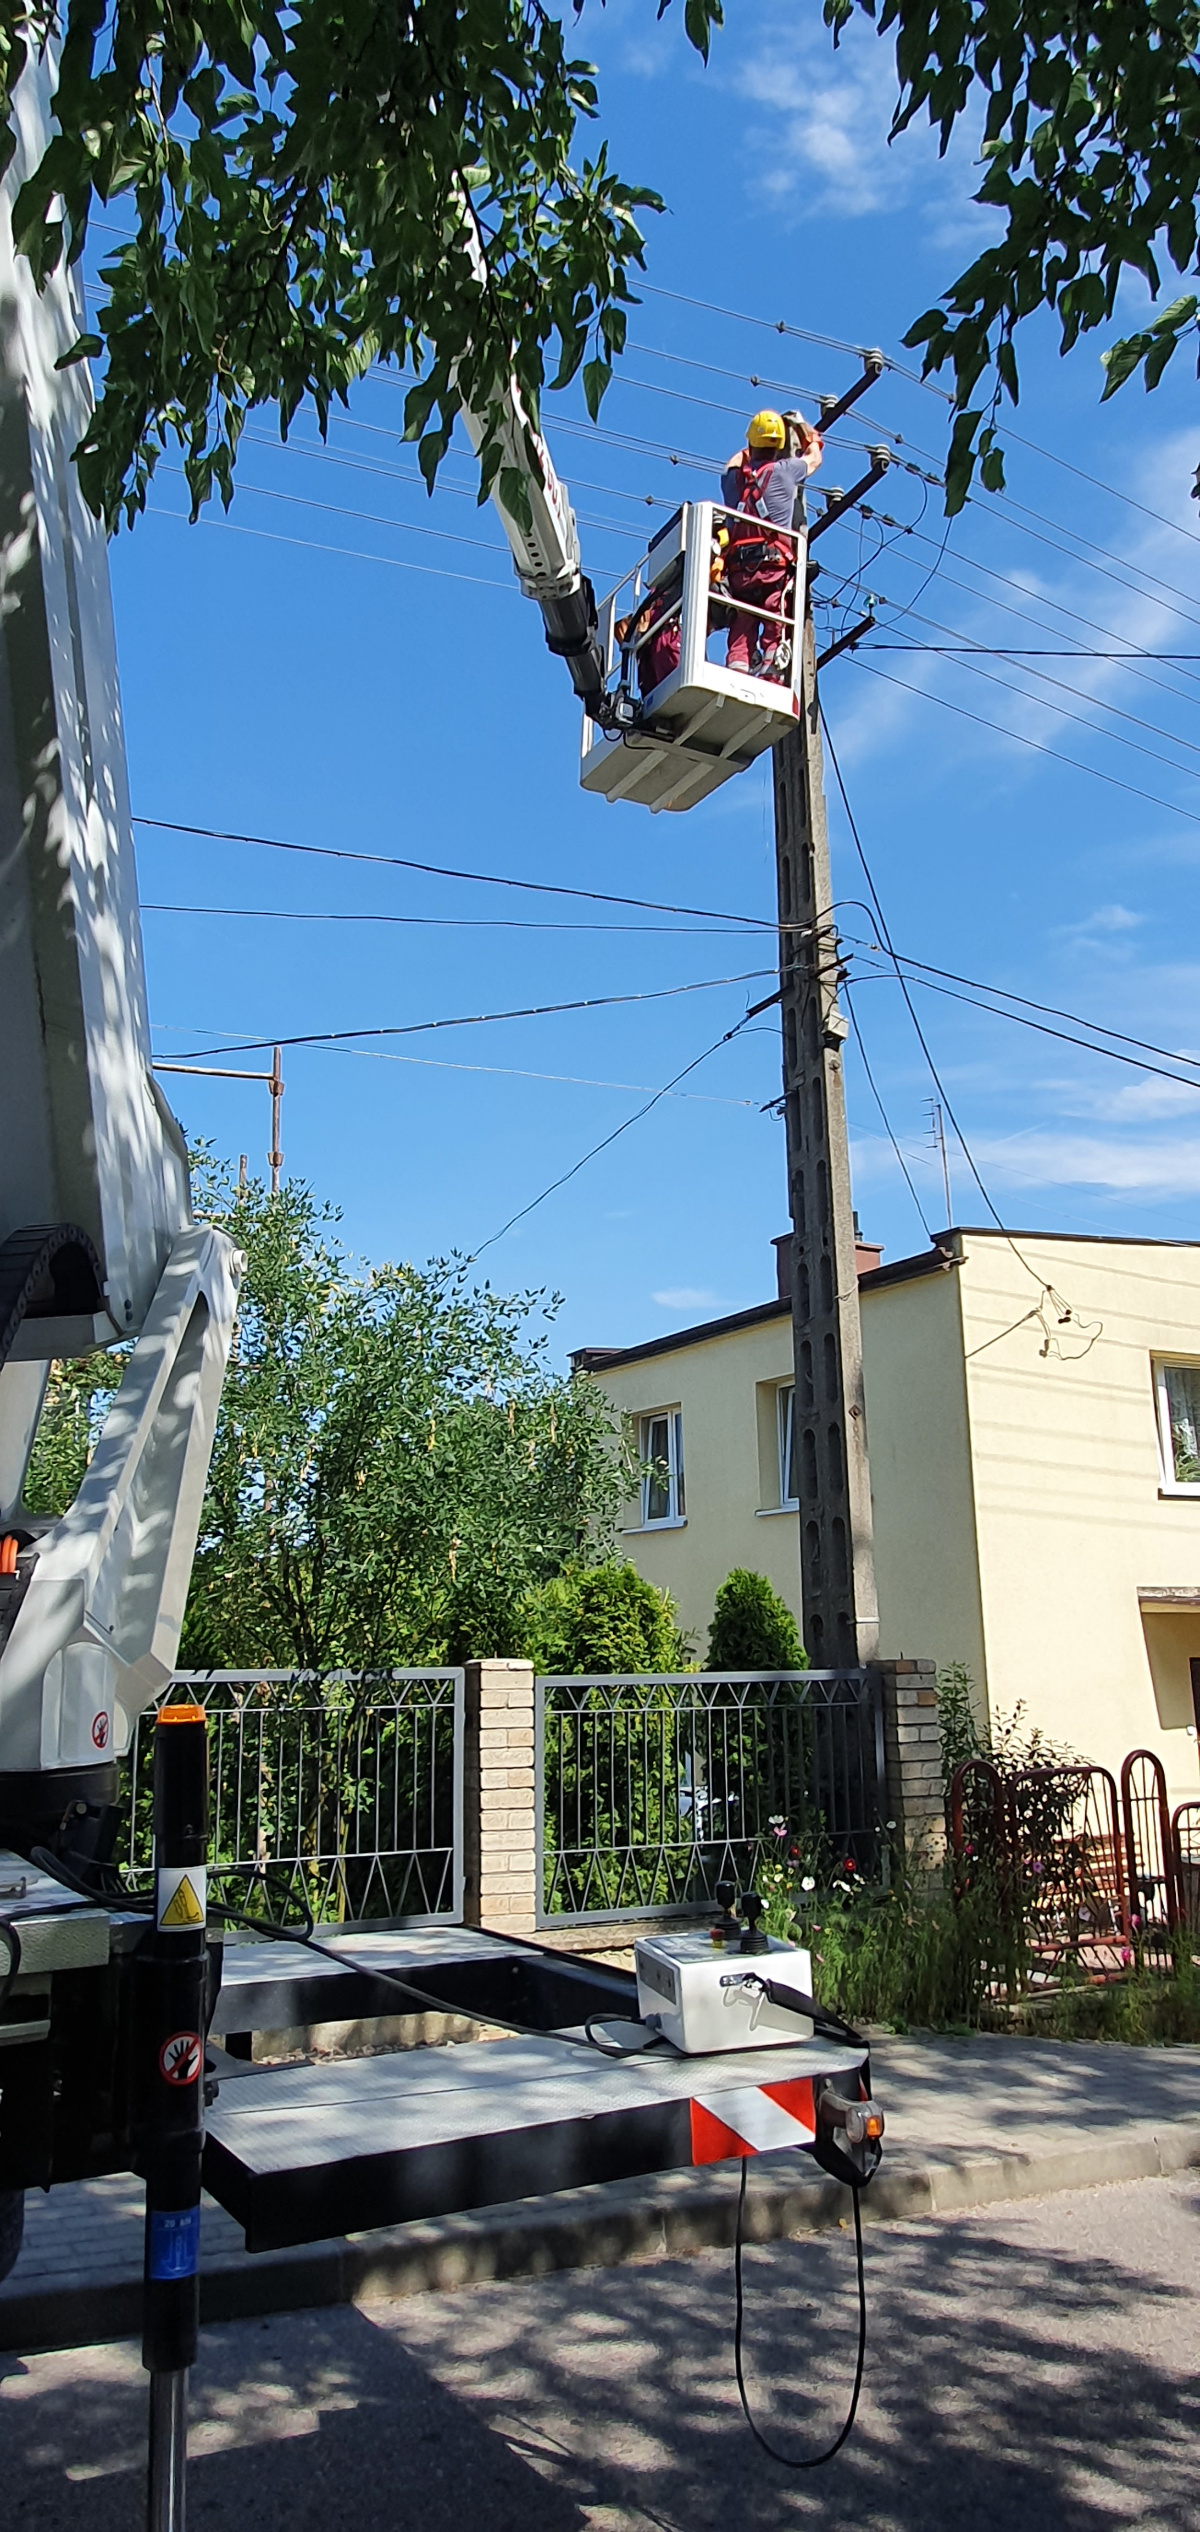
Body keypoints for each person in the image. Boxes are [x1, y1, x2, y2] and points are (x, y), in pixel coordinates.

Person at [719, 408, 822, 676]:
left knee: (741, 627)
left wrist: (754, 444)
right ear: (778, 447)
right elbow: (814, 457)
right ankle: (771, 674)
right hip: (773, 569)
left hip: (740, 572)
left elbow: (732, 462)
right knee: (775, 627)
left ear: (751, 443)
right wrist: (801, 426)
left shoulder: (733, 480)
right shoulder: (785, 471)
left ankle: (737, 672)